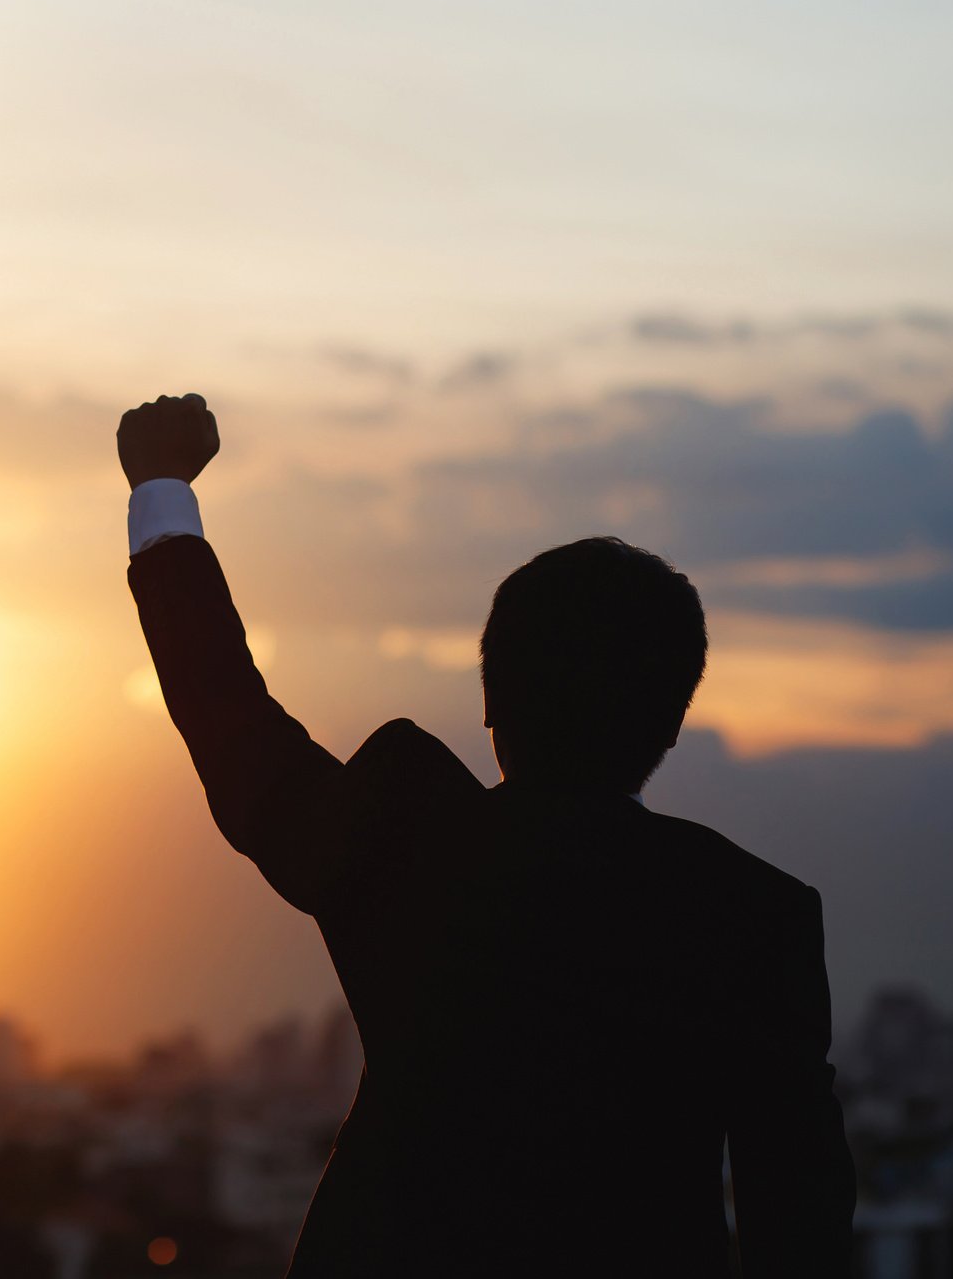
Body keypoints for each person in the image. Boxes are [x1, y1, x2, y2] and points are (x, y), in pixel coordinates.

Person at [119, 393, 855, 1277]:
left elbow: (233, 724)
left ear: (490, 700)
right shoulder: (756, 915)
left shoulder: (405, 845)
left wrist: (161, 488)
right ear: (670, 723)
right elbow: (800, 1217)